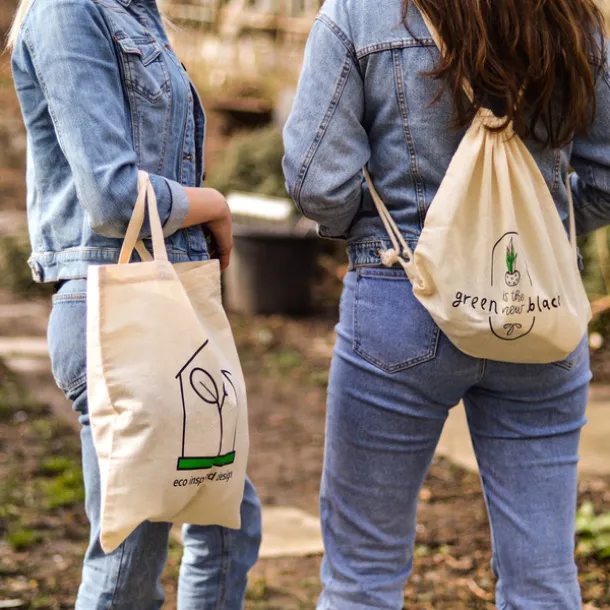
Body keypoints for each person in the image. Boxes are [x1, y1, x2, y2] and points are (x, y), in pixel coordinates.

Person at [283, 0, 610, 608]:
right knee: (543, 578)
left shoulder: (360, 13)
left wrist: (391, 240)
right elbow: (608, 175)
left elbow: (316, 181)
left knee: (363, 577)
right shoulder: (573, 19)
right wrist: (532, 230)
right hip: (538, 312)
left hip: (400, 296)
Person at [8, 0, 261, 608]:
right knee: (127, 564)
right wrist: (215, 204)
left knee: (227, 517)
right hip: (116, 305)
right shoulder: (67, 11)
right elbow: (112, 195)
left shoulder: (135, 11)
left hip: (168, 306)